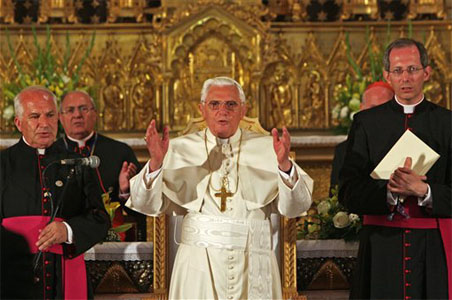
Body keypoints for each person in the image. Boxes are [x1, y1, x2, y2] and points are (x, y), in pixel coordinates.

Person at [126, 76, 313, 299]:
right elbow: (143, 203)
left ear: (243, 110)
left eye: (231, 104)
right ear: (202, 109)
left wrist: (284, 167)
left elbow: (296, 208)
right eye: (214, 104)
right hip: (198, 266)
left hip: (253, 262)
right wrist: (156, 164)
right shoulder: (177, 149)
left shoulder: (269, 149)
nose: (222, 110)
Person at [339, 38, 451, 299]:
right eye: (398, 71)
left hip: (433, 248)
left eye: (412, 69)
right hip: (380, 248)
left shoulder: (447, 123)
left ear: (427, 72)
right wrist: (389, 192)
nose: (406, 78)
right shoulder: (366, 123)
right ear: (387, 75)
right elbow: (347, 191)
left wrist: (425, 190)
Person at [0, 86, 110, 299]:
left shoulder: (79, 162)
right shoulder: (3, 164)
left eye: (50, 115)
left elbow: (100, 218)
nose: (44, 123)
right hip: (12, 275)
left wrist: (68, 230)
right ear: (18, 123)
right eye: (34, 116)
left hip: (63, 275)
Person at [57, 90, 144, 241]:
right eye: (70, 110)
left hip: (111, 234)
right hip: (64, 234)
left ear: (95, 114)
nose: (77, 115)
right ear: (60, 117)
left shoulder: (119, 151)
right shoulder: (52, 153)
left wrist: (125, 191)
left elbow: (141, 209)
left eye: (84, 109)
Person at [330, 81, 394, 195]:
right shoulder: (344, 150)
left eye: (384, 107)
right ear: (361, 109)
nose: (378, 114)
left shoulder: (404, 144)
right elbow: (337, 195)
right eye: (373, 108)